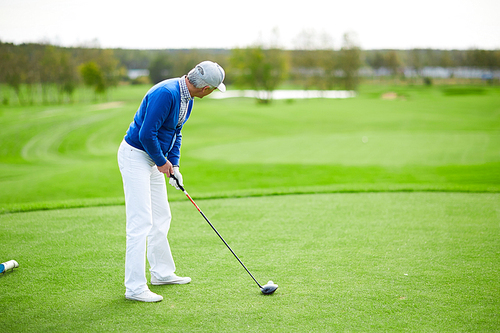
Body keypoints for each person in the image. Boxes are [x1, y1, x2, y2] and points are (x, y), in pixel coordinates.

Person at [117, 61, 226, 302]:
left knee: (161, 215)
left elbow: (176, 132)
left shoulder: (188, 100)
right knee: (140, 222)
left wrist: (173, 165)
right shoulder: (166, 93)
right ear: (206, 88)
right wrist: (161, 162)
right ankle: (134, 288)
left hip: (154, 157)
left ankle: (162, 273)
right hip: (136, 155)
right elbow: (146, 134)